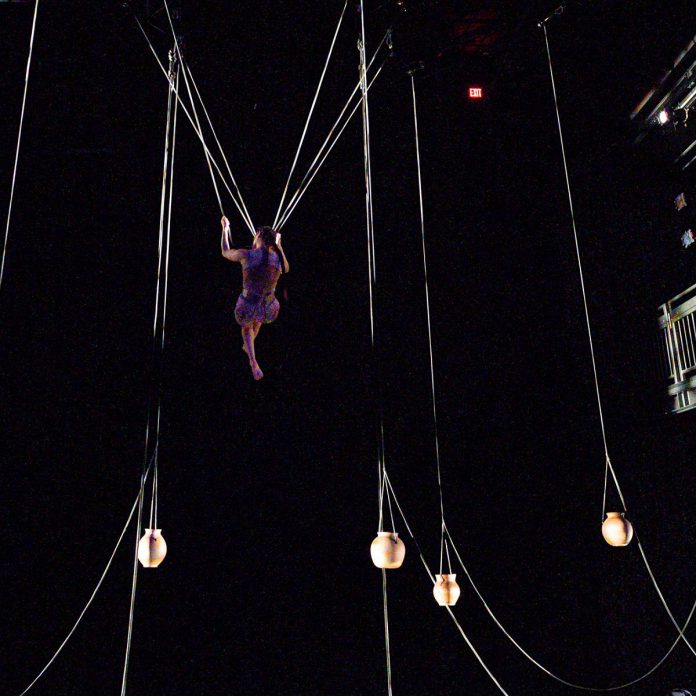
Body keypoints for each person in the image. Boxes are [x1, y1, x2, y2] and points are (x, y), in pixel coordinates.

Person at [220, 215, 289, 380]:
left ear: (258, 237)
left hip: (248, 305)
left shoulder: (248, 255)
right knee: (257, 319)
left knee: (246, 327)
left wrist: (225, 229)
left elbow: (225, 252)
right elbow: (286, 269)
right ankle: (249, 346)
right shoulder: (278, 258)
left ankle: (253, 362)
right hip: (269, 308)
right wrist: (279, 246)